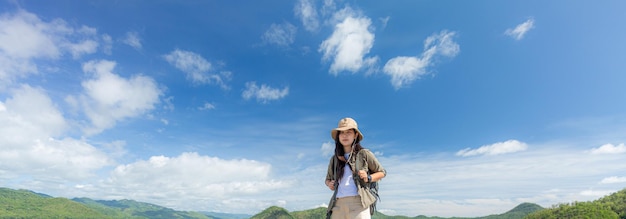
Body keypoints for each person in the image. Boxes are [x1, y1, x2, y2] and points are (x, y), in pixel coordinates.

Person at [325, 117, 386, 219]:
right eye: (341, 133)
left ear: (355, 135)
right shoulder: (334, 159)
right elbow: (327, 179)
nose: (344, 135)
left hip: (359, 203)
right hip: (338, 204)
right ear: (338, 136)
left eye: (348, 132)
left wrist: (368, 177)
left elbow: (382, 172)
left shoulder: (364, 154)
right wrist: (329, 184)